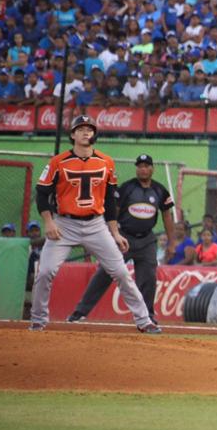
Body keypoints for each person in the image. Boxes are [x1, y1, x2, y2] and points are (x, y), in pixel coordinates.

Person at [28, 115, 160, 333]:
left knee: (120, 271)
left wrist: (115, 232)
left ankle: (144, 320)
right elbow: (42, 193)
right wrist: (49, 222)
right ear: (72, 135)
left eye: (89, 129)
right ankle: (38, 320)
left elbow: (109, 200)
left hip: (96, 225)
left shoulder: (106, 162)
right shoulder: (58, 162)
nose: (86, 132)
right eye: (80, 129)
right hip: (65, 224)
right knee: (45, 271)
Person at [67, 153, 176, 324]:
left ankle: (147, 316)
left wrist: (172, 242)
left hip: (147, 239)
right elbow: (112, 211)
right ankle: (80, 312)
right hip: (123, 238)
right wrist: (109, 235)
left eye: (147, 166)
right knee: (105, 272)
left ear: (152, 168)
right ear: (136, 169)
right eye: (140, 166)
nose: (143, 169)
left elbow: (167, 216)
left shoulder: (160, 190)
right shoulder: (127, 188)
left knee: (148, 277)